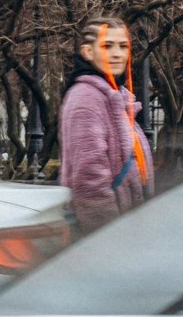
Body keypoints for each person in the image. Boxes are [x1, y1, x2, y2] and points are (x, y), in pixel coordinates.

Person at [59, 14, 153, 231]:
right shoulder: (86, 99)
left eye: (123, 46)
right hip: (104, 233)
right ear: (87, 51)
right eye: (107, 46)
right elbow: (89, 179)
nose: (117, 53)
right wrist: (109, 236)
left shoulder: (112, 97)